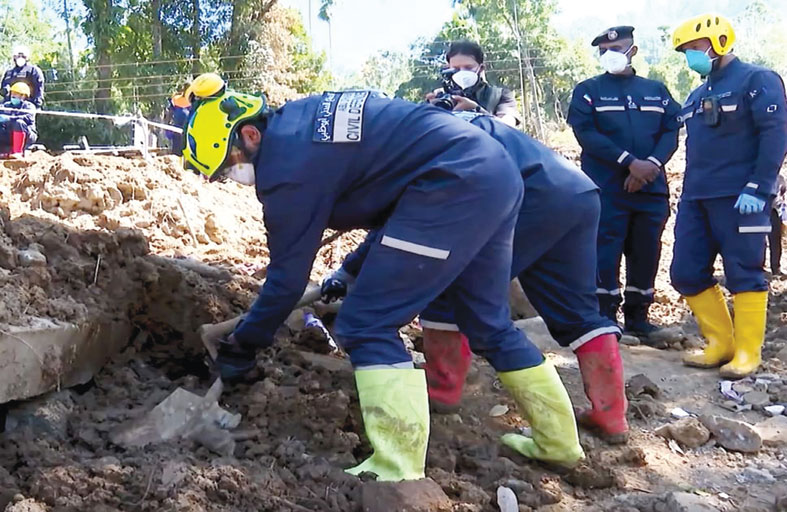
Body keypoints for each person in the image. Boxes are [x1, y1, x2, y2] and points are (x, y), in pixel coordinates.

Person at [182, 76, 584, 481]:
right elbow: (395, 207)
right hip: (492, 173)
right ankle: (558, 443)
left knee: (367, 322)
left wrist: (245, 343)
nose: (230, 177)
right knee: (488, 321)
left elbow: (286, 280)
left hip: (451, 185)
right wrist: (351, 270)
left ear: (250, 134)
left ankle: (396, 469)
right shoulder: (301, 123)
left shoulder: (286, 171)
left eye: (227, 165)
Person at [323, 110, 629, 443]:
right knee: (579, 313)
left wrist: (350, 270)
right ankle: (610, 415)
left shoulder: (415, 148)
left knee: (447, 282)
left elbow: (402, 221)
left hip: (529, 194)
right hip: (578, 193)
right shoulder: (439, 130)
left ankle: (442, 387)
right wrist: (350, 270)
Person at [671, 14, 787, 379]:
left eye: (694, 48)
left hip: (741, 197)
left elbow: (775, 134)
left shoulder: (757, 81)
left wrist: (760, 186)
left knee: (745, 272)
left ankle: (748, 352)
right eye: (686, 52)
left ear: (718, 42)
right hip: (697, 197)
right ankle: (721, 343)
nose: (691, 57)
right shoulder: (697, 94)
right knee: (685, 272)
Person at [567, 26, 681, 347]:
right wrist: (630, 162)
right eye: (604, 49)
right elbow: (587, 134)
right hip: (607, 189)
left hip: (651, 188)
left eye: (616, 47)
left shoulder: (656, 90)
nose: (610, 54)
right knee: (604, 250)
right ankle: (605, 319)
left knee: (647, 250)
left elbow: (671, 130)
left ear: (633, 50)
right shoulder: (588, 91)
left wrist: (651, 166)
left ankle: (639, 319)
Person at [426, 40, 520, 127]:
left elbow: (507, 128)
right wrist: (429, 111)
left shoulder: (499, 95)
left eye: (468, 68)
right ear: (448, 68)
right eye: (456, 69)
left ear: (481, 68)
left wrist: (477, 110)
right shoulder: (441, 98)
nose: (462, 73)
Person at [0, 82, 37, 156]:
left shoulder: (29, 106)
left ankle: (17, 152)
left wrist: (9, 119)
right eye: (12, 93)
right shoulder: (6, 105)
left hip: (27, 134)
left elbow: (28, 118)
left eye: (15, 93)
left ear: (23, 96)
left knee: (19, 123)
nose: (12, 95)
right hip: (10, 134)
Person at [166, 83, 191, 156]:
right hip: (177, 127)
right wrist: (168, 125)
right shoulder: (176, 99)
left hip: (188, 128)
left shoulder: (193, 100)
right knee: (177, 148)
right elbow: (170, 112)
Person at [768, 174, 786, 275]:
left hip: (776, 211)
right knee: (760, 242)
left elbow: (782, 195)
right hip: (760, 210)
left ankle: (776, 269)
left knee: (776, 241)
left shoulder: (780, 178)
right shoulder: (756, 174)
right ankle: (758, 268)